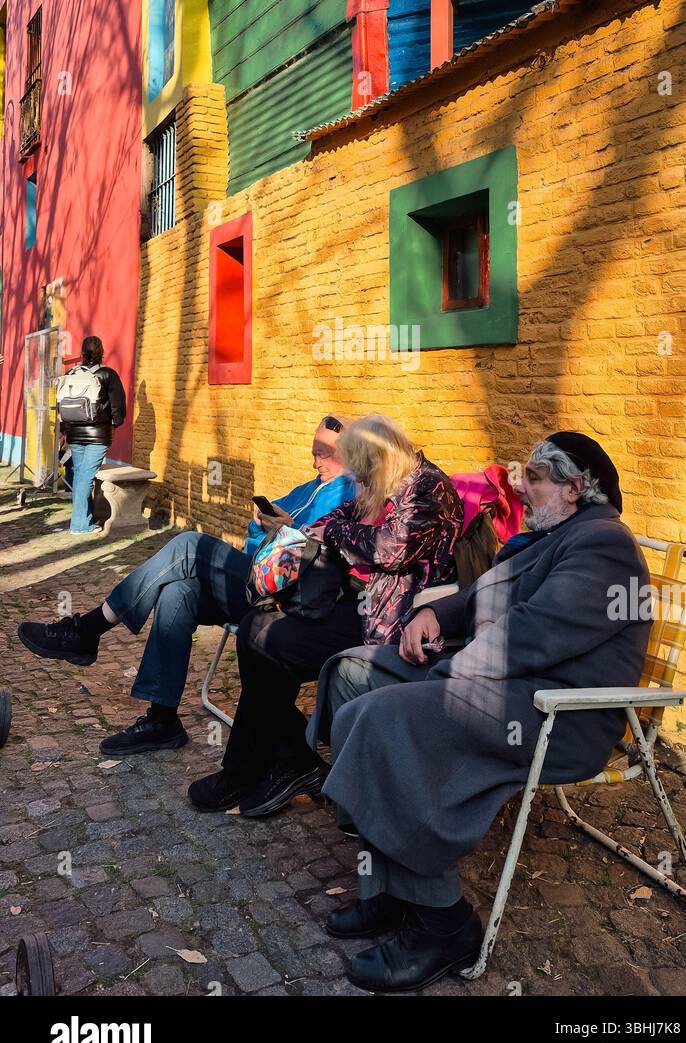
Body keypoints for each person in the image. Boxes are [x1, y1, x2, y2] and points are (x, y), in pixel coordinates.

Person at [308, 432, 653, 993]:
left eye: (536, 476)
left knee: (389, 718)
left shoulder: (602, 545)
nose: (523, 483)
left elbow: (532, 636)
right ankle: (389, 887)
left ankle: (444, 924)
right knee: (352, 677)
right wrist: (438, 616)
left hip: (555, 711)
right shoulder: (551, 535)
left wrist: (447, 675)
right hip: (501, 683)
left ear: (573, 489)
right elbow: (482, 597)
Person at [17, 416, 356, 756]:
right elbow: (252, 539)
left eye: (324, 454)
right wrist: (263, 526)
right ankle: (163, 719)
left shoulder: (352, 494)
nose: (316, 462)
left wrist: (288, 530)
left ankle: (88, 629)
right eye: (314, 453)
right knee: (179, 590)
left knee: (189, 545)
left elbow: (322, 555)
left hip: (290, 596)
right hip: (256, 579)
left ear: (353, 454)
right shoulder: (307, 488)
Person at [187, 414, 463, 819]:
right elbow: (336, 518)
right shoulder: (388, 479)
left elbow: (390, 549)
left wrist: (333, 536)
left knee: (267, 643)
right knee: (256, 629)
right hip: (364, 601)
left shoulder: (428, 488)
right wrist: (320, 530)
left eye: (362, 470)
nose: (359, 481)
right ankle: (285, 762)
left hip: (396, 620)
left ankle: (263, 767)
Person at [58, 336, 126, 534]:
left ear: (82, 352)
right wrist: (115, 424)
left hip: (75, 434)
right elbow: (118, 406)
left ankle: (85, 519)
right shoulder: (108, 374)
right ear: (101, 351)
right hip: (98, 435)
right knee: (86, 477)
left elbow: (64, 403)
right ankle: (80, 525)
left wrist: (64, 432)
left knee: (81, 475)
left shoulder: (71, 373)